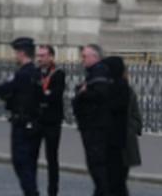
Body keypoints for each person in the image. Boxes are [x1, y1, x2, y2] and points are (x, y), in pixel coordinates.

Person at [73, 45, 128, 196]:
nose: (82, 60)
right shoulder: (96, 75)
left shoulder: (100, 76)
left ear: (95, 57)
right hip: (99, 131)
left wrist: (82, 94)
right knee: (105, 175)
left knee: (102, 172)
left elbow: (99, 98)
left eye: (85, 56)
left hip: (100, 132)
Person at [0, 38, 42, 196]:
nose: (15, 56)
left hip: (21, 123)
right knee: (31, 162)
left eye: (16, 52)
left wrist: (9, 97)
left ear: (21, 53)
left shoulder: (22, 74)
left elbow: (2, 89)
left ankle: (31, 193)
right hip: (35, 122)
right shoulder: (37, 72)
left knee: (20, 161)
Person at [34, 46, 66, 196]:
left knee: (51, 158)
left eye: (43, 55)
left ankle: (53, 191)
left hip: (52, 122)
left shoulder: (58, 74)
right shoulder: (34, 73)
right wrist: (44, 94)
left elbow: (54, 96)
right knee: (31, 156)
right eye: (38, 55)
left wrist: (42, 94)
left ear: (51, 57)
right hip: (37, 120)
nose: (39, 58)